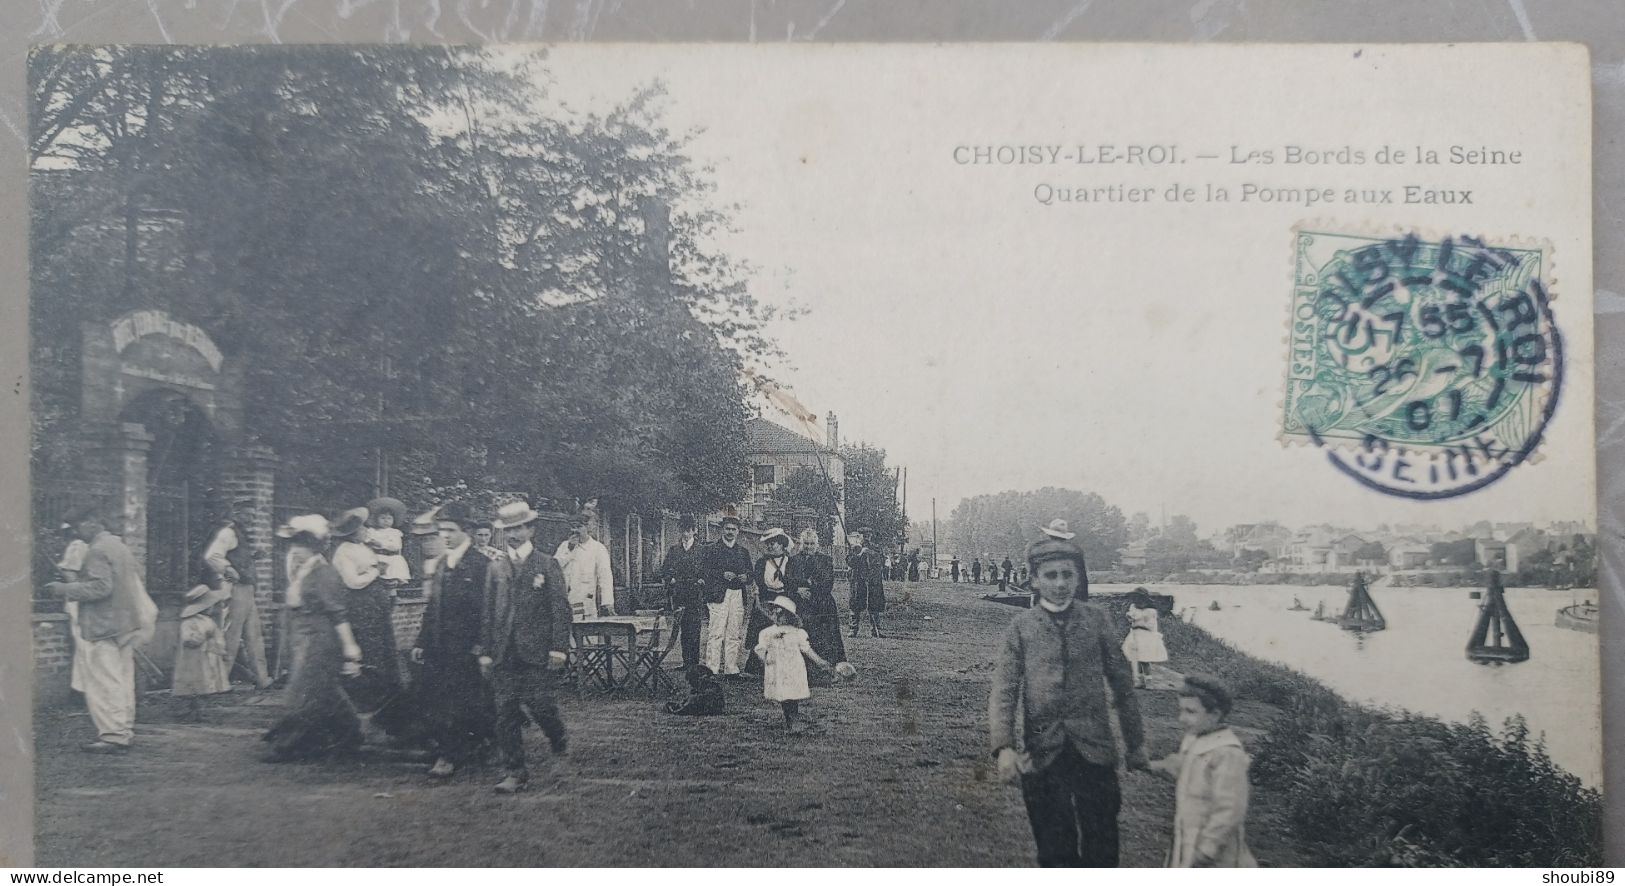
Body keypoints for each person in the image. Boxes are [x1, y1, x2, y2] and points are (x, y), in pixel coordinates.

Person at [988, 535, 1148, 867]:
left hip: (1095, 751)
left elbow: (1122, 685)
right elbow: (1004, 690)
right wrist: (1004, 747)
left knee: (1102, 846)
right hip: (1044, 753)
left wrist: (1135, 744)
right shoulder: (1021, 628)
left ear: (1078, 577)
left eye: (1067, 574)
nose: (1060, 583)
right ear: (1033, 579)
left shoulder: (1097, 620)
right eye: (1050, 575)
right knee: (1054, 849)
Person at [44, 509, 158, 754]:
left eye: (78, 525)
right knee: (122, 680)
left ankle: (113, 736)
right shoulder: (118, 545)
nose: (76, 532)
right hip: (125, 623)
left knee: (104, 682)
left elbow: (100, 588)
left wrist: (63, 589)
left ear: (92, 522)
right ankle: (123, 729)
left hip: (102, 625)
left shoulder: (97, 550)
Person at [483, 501, 572, 795]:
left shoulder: (546, 564)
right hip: (504, 652)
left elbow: (560, 610)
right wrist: (486, 650)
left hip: (537, 651)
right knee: (505, 712)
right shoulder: (496, 567)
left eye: (519, 528)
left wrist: (559, 649)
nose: (514, 534)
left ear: (530, 528)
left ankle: (557, 737)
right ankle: (515, 772)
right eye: (508, 529)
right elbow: (488, 612)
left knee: (540, 706)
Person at [262, 515, 365, 761]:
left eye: (302, 546)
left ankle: (291, 745)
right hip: (303, 635)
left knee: (303, 689)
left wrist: (351, 648)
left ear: (314, 548)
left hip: (320, 638)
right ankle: (350, 733)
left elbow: (338, 612)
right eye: (293, 546)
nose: (295, 551)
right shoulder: (303, 570)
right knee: (324, 688)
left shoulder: (324, 573)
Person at [412, 502, 496, 779]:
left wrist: (482, 645)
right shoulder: (440, 565)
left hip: (466, 647)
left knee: (463, 701)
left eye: (450, 530)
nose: (444, 536)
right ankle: (458, 746)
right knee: (441, 698)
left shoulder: (482, 565)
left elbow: (488, 610)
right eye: (441, 530)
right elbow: (432, 607)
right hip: (439, 646)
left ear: (467, 531)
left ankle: (451, 755)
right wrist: (421, 641)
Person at [1147, 675, 1257, 868]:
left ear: (1214, 715)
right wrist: (1151, 766)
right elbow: (1182, 766)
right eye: (1181, 710)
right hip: (1188, 836)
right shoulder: (1195, 739)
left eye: (1191, 712)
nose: (1182, 719)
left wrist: (1208, 849)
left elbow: (1230, 809)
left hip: (1214, 850)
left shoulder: (1227, 753)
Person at [199, 499, 273, 690]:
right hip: (236, 590)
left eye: (253, 515)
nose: (251, 519)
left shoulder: (241, 534)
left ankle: (262, 679)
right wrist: (228, 570)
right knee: (231, 635)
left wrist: (253, 557)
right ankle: (220, 681)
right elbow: (212, 556)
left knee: (254, 635)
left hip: (247, 590)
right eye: (248, 514)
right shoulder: (228, 532)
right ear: (237, 513)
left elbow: (236, 556)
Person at [329, 508, 403, 698]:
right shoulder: (344, 552)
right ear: (353, 532)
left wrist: (382, 573)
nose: (366, 531)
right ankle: (367, 690)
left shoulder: (363, 547)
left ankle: (385, 685)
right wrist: (375, 571)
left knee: (382, 641)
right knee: (369, 642)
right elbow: (352, 581)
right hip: (359, 603)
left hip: (374, 601)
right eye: (363, 528)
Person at [754, 596, 837, 733]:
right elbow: (760, 649)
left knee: (791, 694)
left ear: (789, 616)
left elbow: (806, 649)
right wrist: (765, 660)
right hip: (777, 668)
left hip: (794, 667)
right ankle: (790, 720)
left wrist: (820, 662)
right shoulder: (767, 633)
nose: (776, 616)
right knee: (783, 694)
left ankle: (794, 719)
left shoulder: (797, 633)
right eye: (774, 613)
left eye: (780, 614)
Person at [789, 528, 847, 678]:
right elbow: (788, 581)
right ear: (801, 544)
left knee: (826, 636)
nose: (808, 547)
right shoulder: (794, 560)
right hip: (802, 605)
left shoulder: (825, 560)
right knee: (804, 635)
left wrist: (809, 587)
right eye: (806, 543)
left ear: (817, 544)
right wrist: (797, 590)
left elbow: (827, 584)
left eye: (812, 543)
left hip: (822, 604)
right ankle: (805, 668)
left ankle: (828, 667)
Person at [701, 513, 753, 677]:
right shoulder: (712, 550)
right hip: (718, 595)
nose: (730, 532)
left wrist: (747, 577)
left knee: (734, 632)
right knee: (716, 632)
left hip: (737, 594)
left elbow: (751, 573)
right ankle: (712, 668)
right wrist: (722, 574)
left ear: (738, 532)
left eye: (734, 529)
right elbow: (704, 571)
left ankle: (731, 668)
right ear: (722, 530)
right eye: (727, 529)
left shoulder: (743, 552)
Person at [173, 585, 232, 720]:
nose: (212, 607)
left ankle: (201, 710)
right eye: (210, 605)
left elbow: (217, 637)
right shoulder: (189, 622)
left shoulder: (208, 621)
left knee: (206, 684)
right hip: (193, 659)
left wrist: (220, 648)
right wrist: (203, 636)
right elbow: (188, 639)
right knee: (194, 684)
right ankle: (190, 710)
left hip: (207, 656)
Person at [659, 515, 707, 669]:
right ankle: (686, 662)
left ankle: (694, 662)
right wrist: (670, 579)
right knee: (682, 628)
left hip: (695, 593)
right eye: (683, 531)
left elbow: (708, 571)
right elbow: (664, 570)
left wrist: (702, 580)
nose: (685, 534)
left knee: (694, 627)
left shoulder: (702, 550)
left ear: (695, 531)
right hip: (679, 593)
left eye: (688, 531)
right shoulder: (674, 550)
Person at [747, 528, 794, 676]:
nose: (771, 546)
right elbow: (759, 581)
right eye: (769, 544)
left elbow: (792, 582)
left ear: (782, 545)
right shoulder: (762, 562)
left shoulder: (790, 562)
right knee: (761, 631)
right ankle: (756, 667)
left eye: (774, 543)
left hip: (784, 599)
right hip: (766, 598)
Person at [54, 523, 92, 695]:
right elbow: (70, 575)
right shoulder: (79, 546)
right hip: (80, 601)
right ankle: (83, 689)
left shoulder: (81, 546)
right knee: (84, 645)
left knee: (86, 645)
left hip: (83, 601)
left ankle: (84, 688)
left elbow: (70, 574)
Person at [555, 513, 615, 617]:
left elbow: (605, 577)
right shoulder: (564, 546)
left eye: (579, 526)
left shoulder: (597, 548)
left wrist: (607, 602)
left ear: (587, 527)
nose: (575, 531)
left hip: (584, 601)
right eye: (572, 527)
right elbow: (554, 568)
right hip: (563, 600)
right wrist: (569, 549)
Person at [1122, 588, 1169, 689]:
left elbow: (1151, 625)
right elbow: (1131, 620)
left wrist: (1139, 621)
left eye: (1139, 598)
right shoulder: (1133, 607)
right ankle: (1139, 680)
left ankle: (1148, 681)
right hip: (1135, 634)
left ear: (1144, 599)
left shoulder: (1150, 611)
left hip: (1145, 635)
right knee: (1136, 658)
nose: (1136, 600)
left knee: (1145, 659)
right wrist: (1131, 619)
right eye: (1135, 598)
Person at [846, 527, 886, 637]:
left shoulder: (875, 548)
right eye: (863, 535)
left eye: (868, 535)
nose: (866, 537)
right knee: (855, 604)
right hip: (858, 580)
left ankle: (875, 629)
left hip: (873, 580)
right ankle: (853, 629)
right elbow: (850, 562)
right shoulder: (854, 548)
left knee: (874, 605)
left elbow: (881, 561)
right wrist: (859, 554)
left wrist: (870, 553)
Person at [364, 497, 412, 589]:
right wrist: (370, 542)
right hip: (376, 556)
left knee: (393, 577)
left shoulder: (394, 532)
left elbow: (396, 546)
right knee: (375, 579)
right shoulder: (371, 531)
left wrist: (381, 544)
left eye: (389, 518)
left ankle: (393, 596)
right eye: (382, 518)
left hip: (391, 558)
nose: (386, 520)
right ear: (376, 519)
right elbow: (367, 541)